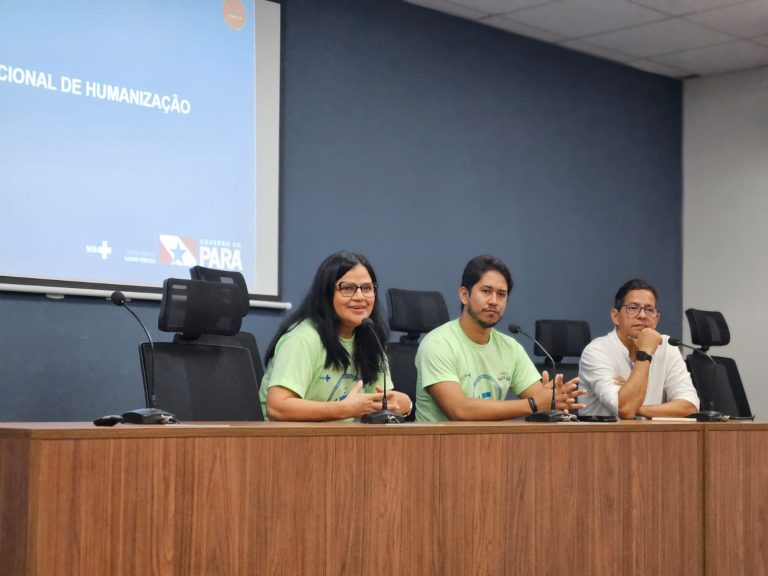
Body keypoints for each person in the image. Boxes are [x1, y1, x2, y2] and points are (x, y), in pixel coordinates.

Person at [415, 255, 584, 422]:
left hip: (492, 439)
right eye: (486, 291)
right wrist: (533, 404)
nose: (494, 301)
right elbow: (459, 410)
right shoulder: (438, 343)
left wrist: (554, 400)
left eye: (501, 294)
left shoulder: (510, 347)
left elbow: (542, 401)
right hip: (437, 440)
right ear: (464, 295)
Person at [260, 250, 411, 421]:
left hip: (339, 437)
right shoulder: (303, 338)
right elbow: (277, 407)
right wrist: (344, 409)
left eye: (367, 288)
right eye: (347, 288)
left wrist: (403, 405)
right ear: (326, 293)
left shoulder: (370, 338)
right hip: (287, 436)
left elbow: (380, 403)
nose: (360, 296)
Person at [578, 279, 699, 419]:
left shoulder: (667, 347)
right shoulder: (597, 351)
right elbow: (625, 409)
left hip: (650, 433)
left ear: (657, 319)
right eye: (633, 308)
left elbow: (690, 407)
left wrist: (638, 407)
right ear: (615, 316)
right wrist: (646, 352)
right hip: (603, 433)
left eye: (649, 310)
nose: (642, 315)